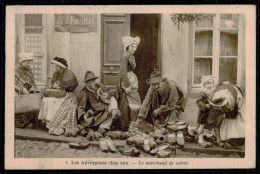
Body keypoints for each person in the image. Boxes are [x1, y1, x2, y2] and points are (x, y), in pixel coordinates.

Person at [38, 57, 79, 137]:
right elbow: (52, 83)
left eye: (56, 66)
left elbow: (72, 86)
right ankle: (47, 122)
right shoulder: (56, 73)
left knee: (54, 102)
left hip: (67, 94)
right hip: (57, 93)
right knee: (46, 100)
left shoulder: (68, 73)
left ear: (61, 66)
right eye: (54, 66)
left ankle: (55, 125)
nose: (55, 67)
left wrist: (60, 85)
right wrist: (54, 85)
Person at [78, 71, 120, 135]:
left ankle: (113, 112)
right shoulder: (84, 92)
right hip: (95, 112)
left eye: (93, 82)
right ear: (86, 83)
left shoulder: (99, 86)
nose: (92, 84)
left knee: (112, 99)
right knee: (107, 111)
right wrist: (84, 116)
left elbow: (111, 92)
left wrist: (107, 94)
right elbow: (81, 106)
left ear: (95, 81)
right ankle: (103, 126)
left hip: (104, 107)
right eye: (89, 83)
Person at [116, 36, 142, 131]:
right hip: (127, 81)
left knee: (127, 103)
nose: (134, 49)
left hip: (131, 80)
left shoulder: (130, 56)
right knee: (136, 102)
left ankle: (129, 125)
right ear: (127, 47)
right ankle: (132, 125)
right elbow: (123, 72)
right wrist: (127, 85)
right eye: (132, 47)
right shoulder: (125, 57)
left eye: (135, 47)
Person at [208, 82, 245, 148]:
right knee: (217, 119)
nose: (217, 107)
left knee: (234, 121)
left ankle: (232, 139)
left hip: (234, 96)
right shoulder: (214, 97)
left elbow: (234, 114)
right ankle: (219, 138)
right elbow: (213, 120)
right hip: (224, 91)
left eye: (219, 106)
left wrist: (223, 116)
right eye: (216, 106)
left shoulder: (232, 101)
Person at [15, 52, 40, 128]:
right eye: (26, 62)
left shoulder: (28, 69)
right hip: (15, 89)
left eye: (29, 63)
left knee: (36, 96)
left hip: (26, 88)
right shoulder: (15, 70)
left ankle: (32, 121)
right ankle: (19, 121)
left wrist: (32, 88)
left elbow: (28, 82)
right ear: (21, 61)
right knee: (18, 99)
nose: (28, 64)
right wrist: (21, 89)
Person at [195, 75, 216, 147]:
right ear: (204, 85)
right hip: (203, 112)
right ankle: (200, 139)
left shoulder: (213, 92)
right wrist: (204, 105)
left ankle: (206, 139)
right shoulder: (202, 92)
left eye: (210, 83)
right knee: (201, 124)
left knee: (209, 125)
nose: (209, 85)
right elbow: (198, 102)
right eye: (207, 84)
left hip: (211, 112)